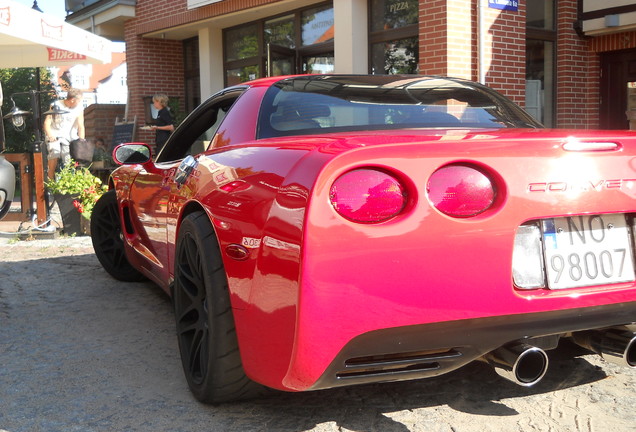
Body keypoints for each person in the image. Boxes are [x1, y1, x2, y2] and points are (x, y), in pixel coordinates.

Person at [43, 88, 85, 167]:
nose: (79, 103)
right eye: (79, 100)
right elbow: (47, 123)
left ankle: (66, 177)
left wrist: (81, 142)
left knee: (67, 160)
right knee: (55, 154)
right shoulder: (55, 105)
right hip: (55, 135)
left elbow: (81, 126)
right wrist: (50, 136)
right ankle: (50, 178)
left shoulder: (79, 108)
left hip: (69, 138)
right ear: (72, 100)